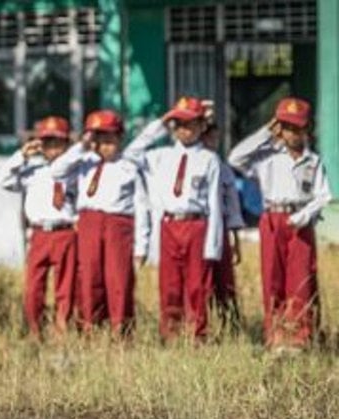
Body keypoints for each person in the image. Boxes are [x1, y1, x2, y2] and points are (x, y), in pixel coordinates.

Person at [228, 97, 333, 350]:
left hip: (300, 221)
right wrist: (265, 132)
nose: (292, 133)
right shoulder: (267, 158)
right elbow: (235, 158)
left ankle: (299, 337)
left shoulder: (313, 161)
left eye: (298, 127)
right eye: (286, 127)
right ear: (279, 128)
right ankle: (275, 335)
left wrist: (305, 215)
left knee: (300, 279)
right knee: (272, 277)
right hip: (272, 219)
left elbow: (324, 195)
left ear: (308, 129)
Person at [126, 96, 224, 341]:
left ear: (202, 126)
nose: (184, 129)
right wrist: (161, 123)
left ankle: (198, 336)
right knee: (169, 284)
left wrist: (213, 246)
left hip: (196, 224)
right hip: (169, 225)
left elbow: (214, 203)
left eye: (190, 124)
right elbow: (131, 152)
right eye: (178, 124)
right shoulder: (160, 156)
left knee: (197, 285)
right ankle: (170, 335)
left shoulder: (210, 159)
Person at [49, 110, 150, 336]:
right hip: (89, 222)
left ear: (120, 138)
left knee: (118, 279)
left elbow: (142, 208)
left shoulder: (129, 167)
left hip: (118, 223)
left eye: (110, 138)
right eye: (99, 138)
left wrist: (142, 246)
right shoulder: (84, 161)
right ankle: (90, 328)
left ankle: (121, 331)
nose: (105, 144)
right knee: (88, 277)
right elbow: (56, 170)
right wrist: (83, 145)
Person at [0, 116, 76, 337]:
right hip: (40, 233)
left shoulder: (74, 171)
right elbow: (4, 180)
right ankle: (35, 329)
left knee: (66, 285)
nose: (53, 148)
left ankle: (63, 327)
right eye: (47, 143)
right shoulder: (33, 172)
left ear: (67, 144)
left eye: (58, 142)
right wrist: (22, 154)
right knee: (34, 285)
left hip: (65, 231)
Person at [203, 121, 245, 329]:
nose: (213, 143)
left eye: (216, 138)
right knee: (201, 281)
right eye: (209, 138)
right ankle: (200, 325)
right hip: (197, 229)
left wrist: (235, 240)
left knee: (224, 280)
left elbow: (233, 206)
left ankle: (230, 325)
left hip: (220, 230)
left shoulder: (224, 169)